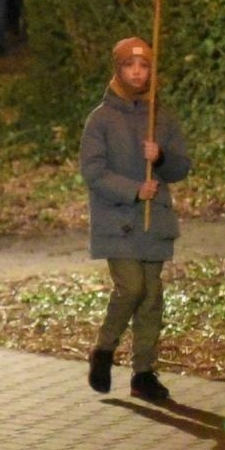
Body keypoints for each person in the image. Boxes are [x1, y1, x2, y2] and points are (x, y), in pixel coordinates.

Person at [80, 38, 190, 403]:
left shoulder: (163, 116)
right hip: (118, 221)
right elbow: (93, 172)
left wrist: (159, 158)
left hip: (153, 220)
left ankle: (143, 371)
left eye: (143, 67)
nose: (137, 73)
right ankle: (105, 349)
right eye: (129, 66)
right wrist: (132, 189)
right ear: (118, 69)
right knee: (132, 288)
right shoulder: (101, 120)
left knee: (152, 296)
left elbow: (180, 166)